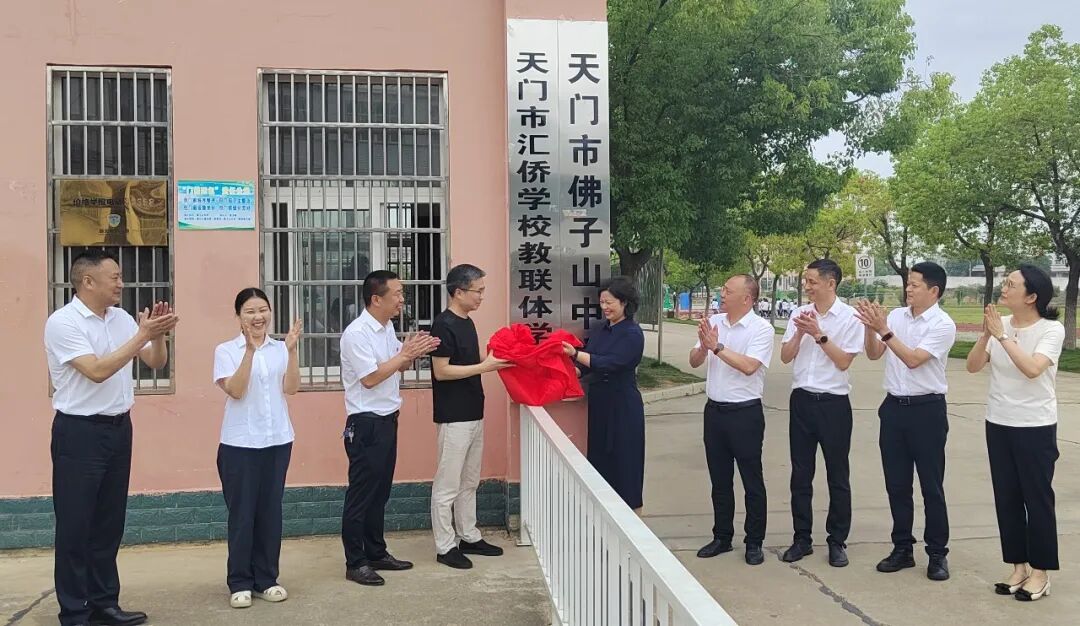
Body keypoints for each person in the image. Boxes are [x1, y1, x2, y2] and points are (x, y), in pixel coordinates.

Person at [44, 249, 177, 626]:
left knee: (108, 523)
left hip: (119, 429)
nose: (122, 283)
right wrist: (142, 335)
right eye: (115, 277)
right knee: (75, 526)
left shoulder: (120, 318)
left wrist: (157, 336)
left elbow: (155, 361)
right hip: (79, 433)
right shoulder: (63, 323)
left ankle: (104, 604)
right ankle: (74, 612)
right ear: (88, 281)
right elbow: (98, 370)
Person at [966, 264, 1065, 602]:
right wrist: (986, 335)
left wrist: (1002, 337)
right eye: (1005, 282)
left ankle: (1041, 573)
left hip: (1035, 426)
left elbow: (1033, 369)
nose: (1004, 288)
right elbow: (973, 366)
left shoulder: (1051, 329)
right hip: (998, 422)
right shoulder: (1000, 325)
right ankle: (1018, 567)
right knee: (1006, 498)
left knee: (1037, 500)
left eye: (1011, 284)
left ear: (1032, 296)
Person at [855, 262, 956, 582]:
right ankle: (902, 548)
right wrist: (870, 328)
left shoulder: (942, 324)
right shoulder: (897, 316)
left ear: (934, 290)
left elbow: (913, 360)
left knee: (931, 486)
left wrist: (883, 328)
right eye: (908, 284)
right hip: (894, 408)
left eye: (915, 284)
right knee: (897, 484)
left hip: (927, 411)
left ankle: (937, 553)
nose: (908, 289)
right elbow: (874, 354)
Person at [339, 270, 440, 586]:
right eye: (396, 293)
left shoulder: (386, 328)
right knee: (361, 496)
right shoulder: (357, 334)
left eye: (402, 293)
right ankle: (356, 562)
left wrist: (411, 353)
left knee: (379, 494)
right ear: (376, 299)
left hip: (387, 420)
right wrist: (404, 355)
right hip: (365, 424)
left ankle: (376, 552)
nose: (401, 299)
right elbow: (370, 378)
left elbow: (396, 365)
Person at [212, 288, 302, 608]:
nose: (258, 317)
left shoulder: (279, 349)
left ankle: (266, 579)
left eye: (262, 310)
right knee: (242, 515)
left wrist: (292, 352)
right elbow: (236, 390)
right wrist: (249, 352)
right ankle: (240, 581)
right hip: (240, 444)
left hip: (277, 440)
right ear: (238, 317)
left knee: (270, 513)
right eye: (249, 311)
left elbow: (292, 388)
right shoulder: (226, 350)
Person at [779, 258, 863, 567]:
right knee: (801, 474)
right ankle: (801, 538)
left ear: (831, 283)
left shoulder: (851, 317)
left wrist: (818, 334)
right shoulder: (799, 314)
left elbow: (843, 361)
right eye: (806, 281)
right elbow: (785, 356)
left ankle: (837, 540)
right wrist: (800, 333)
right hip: (802, 401)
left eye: (812, 281)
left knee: (837, 474)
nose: (807, 286)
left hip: (833, 404)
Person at [428, 264, 512, 569]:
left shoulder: (467, 322)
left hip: (474, 411)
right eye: (478, 291)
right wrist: (484, 367)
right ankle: (445, 545)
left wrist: (496, 360)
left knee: (469, 480)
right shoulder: (443, 324)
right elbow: (441, 371)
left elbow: (470, 360)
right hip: (454, 416)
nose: (481, 296)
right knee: (448, 483)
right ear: (458, 291)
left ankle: (469, 535)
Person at [689, 275, 775, 566]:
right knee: (720, 479)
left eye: (728, 290)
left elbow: (749, 366)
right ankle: (722, 536)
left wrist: (717, 347)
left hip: (745, 414)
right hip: (714, 412)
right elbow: (694, 361)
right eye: (723, 289)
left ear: (747, 298)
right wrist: (703, 347)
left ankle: (754, 541)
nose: (722, 293)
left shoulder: (761, 329)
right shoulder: (715, 322)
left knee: (752, 479)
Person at [562, 276, 646, 512]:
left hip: (623, 406)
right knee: (600, 459)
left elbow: (610, 363)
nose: (605, 307)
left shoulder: (632, 334)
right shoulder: (600, 329)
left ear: (624, 303)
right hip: (600, 403)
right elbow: (590, 363)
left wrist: (575, 354)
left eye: (610, 302)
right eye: (602, 302)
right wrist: (570, 373)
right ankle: (604, 516)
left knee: (625, 462)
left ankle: (632, 517)